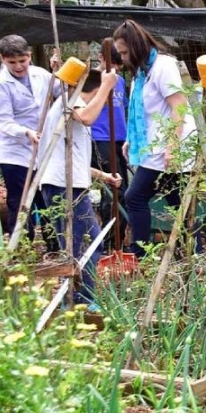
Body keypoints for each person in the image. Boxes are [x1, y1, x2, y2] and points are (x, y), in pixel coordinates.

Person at [38, 68, 123, 305]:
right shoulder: (71, 103)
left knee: (81, 245)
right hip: (63, 188)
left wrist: (103, 175)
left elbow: (70, 159)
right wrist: (107, 85)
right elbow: (87, 116)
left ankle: (78, 298)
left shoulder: (69, 107)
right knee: (87, 245)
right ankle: (81, 301)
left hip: (66, 185)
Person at [113, 20, 197, 257]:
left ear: (137, 45)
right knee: (177, 201)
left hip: (169, 147)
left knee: (135, 197)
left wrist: (172, 146)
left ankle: (138, 254)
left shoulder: (164, 66)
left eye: (125, 52)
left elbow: (179, 106)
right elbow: (143, 112)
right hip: (155, 146)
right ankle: (194, 255)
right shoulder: (142, 71)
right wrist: (132, 139)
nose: (123, 58)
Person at [0, 34, 59, 248]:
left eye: (22, 61)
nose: (18, 66)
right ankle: (23, 249)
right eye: (12, 62)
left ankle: (54, 247)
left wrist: (58, 73)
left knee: (48, 199)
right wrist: (26, 132)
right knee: (20, 202)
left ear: (29, 56)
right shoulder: (2, 84)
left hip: (43, 148)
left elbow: (61, 92)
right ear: (2, 59)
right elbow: (4, 122)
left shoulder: (41, 74)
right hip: (15, 152)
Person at [90, 39, 129, 250]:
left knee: (123, 189)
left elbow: (123, 109)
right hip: (100, 139)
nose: (115, 69)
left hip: (119, 140)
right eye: (112, 63)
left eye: (119, 64)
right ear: (101, 58)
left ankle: (118, 238)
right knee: (113, 190)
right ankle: (108, 241)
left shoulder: (120, 81)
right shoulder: (92, 79)